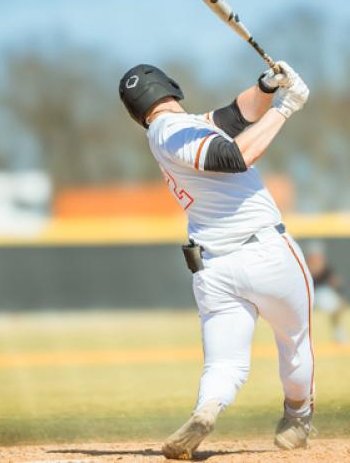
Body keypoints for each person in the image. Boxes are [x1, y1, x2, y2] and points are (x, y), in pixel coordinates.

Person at [119, 60, 314, 459]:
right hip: (267, 253)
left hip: (216, 267)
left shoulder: (177, 127)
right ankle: (298, 417)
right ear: (169, 85)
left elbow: (234, 116)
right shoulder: (173, 132)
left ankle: (207, 410)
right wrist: (286, 107)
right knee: (294, 342)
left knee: (225, 363)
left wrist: (266, 86)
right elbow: (235, 155)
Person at [305, 241, 348, 344]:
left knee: (337, 305)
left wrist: (340, 295)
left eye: (318, 256)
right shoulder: (303, 266)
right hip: (306, 295)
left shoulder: (326, 268)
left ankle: (337, 331)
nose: (316, 259)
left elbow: (335, 282)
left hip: (321, 294)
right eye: (313, 256)